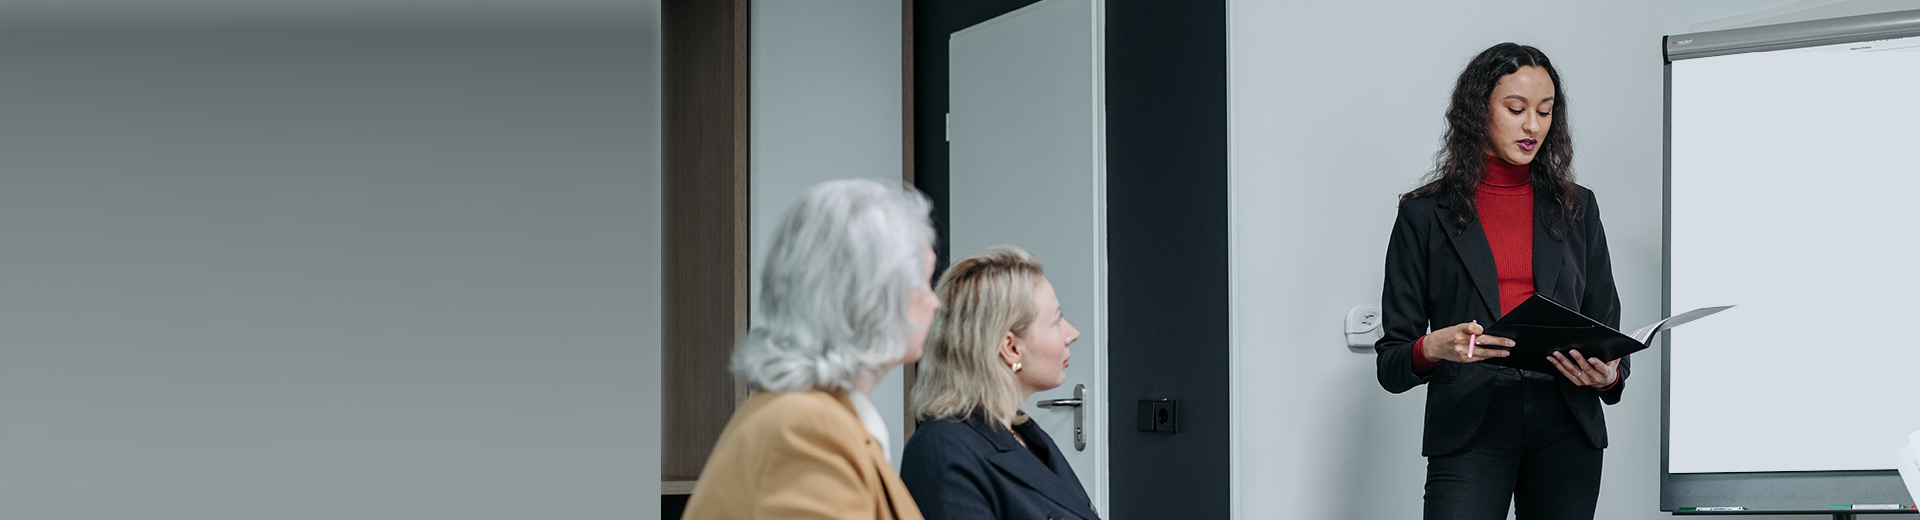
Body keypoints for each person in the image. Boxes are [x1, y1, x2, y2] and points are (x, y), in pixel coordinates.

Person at [1374, 43, 1627, 520]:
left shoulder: (1578, 207)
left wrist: (1610, 376)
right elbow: (1391, 363)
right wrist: (1434, 347)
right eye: (1516, 109)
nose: (1533, 126)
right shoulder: (1423, 214)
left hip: (1566, 425)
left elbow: (1606, 329)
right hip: (1471, 422)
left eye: (1545, 111)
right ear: (1478, 110)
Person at [682, 179, 937, 520]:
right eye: (924, 283)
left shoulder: (823, 415)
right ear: (872, 299)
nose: (934, 302)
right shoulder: (807, 430)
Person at [899, 246, 1099, 520]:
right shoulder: (941, 451)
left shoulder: (1025, 434)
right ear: (1011, 348)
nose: (1072, 333)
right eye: (1057, 320)